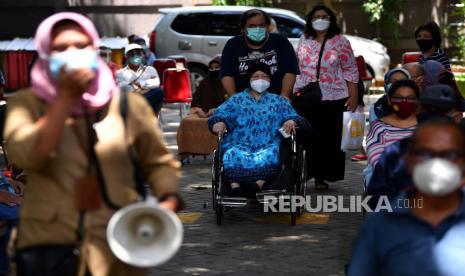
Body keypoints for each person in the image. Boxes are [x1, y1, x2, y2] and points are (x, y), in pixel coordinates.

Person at [4, 12, 181, 276]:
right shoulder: (25, 105)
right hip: (50, 239)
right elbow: (28, 156)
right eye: (61, 48)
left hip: (116, 237)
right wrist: (65, 100)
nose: (72, 54)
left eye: (81, 45)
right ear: (45, 53)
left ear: (94, 48)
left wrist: (168, 195)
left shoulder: (127, 105)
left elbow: (158, 162)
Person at [349, 120, 465, 275]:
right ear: (408, 162)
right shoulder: (379, 226)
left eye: (450, 155)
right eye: (425, 154)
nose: (437, 164)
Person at [208, 63, 304, 196]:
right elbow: (219, 114)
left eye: (265, 76)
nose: (261, 79)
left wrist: (290, 120)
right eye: (256, 76)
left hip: (268, 143)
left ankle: (258, 185)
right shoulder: (236, 100)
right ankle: (234, 187)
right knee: (231, 153)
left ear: (270, 80)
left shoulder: (279, 101)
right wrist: (218, 122)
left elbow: (292, 115)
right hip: (239, 142)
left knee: (273, 153)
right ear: (249, 79)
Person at [294, 5, 359, 190]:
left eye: (324, 16)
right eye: (316, 16)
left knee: (329, 139)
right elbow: (297, 66)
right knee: (306, 136)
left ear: (331, 20)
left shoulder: (341, 42)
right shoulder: (303, 39)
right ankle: (306, 173)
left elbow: (350, 69)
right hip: (306, 94)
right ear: (310, 20)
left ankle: (321, 177)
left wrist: (353, 95)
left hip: (334, 96)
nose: (320, 19)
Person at [366, 84, 464, 208]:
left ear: (458, 117)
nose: (435, 119)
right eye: (429, 110)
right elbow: (378, 201)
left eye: (443, 113)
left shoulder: (396, 152)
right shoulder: (396, 153)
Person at [220, 9, 299, 97]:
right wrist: (234, 99)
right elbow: (227, 75)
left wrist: (284, 96)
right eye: (252, 26)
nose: (257, 29)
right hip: (243, 101)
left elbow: (289, 72)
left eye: (261, 25)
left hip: (276, 98)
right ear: (243, 29)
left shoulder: (281, 42)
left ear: (268, 26)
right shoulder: (233, 45)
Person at [177, 57, 228, 161]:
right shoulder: (204, 83)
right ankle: (184, 152)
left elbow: (230, 103)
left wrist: (215, 110)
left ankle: (220, 152)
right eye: (212, 68)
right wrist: (200, 110)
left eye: (217, 67)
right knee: (186, 122)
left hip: (221, 113)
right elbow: (195, 101)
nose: (214, 70)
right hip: (201, 112)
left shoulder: (227, 84)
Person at [366, 79, 418, 169]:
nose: (404, 101)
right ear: (389, 100)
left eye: (410, 98)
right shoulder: (379, 128)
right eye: (398, 98)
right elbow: (378, 162)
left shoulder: (427, 127)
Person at [116, 43, 164, 115]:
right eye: (132, 54)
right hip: (131, 101)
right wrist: (146, 88)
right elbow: (125, 90)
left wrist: (139, 83)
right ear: (126, 56)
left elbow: (156, 83)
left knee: (158, 91)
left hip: (148, 100)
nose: (135, 56)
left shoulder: (150, 69)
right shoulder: (120, 73)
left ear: (143, 55)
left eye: (138, 53)